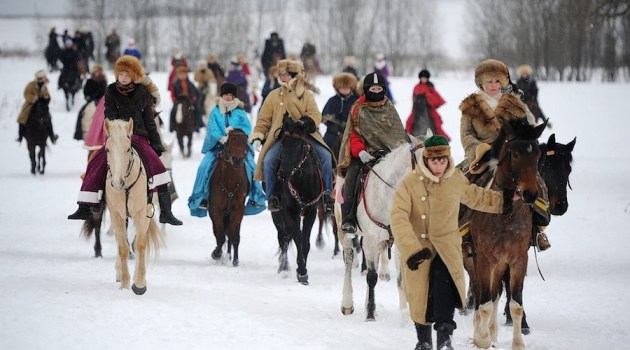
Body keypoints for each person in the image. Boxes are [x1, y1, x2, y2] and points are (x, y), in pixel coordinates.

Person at [390, 135, 512, 350]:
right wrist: (411, 249)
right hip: (418, 250)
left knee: (444, 287)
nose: (439, 166)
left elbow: (477, 196)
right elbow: (398, 216)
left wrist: (505, 202)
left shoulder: (455, 179)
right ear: (426, 160)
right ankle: (424, 340)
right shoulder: (409, 183)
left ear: (448, 159)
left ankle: (445, 339)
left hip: (447, 248)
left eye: (442, 161)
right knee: (421, 296)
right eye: (434, 162)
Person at [67, 55, 182, 226]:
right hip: (116, 136)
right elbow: (109, 113)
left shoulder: (142, 93)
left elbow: (149, 121)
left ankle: (166, 211)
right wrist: (117, 130)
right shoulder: (111, 91)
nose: (123, 77)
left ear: (134, 76)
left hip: (138, 136)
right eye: (120, 74)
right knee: (95, 163)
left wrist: (156, 144)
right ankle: (85, 206)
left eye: (127, 75)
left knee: (158, 167)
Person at [458, 58, 550, 251]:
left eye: (497, 81)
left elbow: (528, 130)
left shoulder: (514, 103)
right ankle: (463, 233)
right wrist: (479, 149)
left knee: (538, 185)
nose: (493, 85)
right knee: (461, 187)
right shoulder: (470, 106)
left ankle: (538, 229)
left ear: (503, 82)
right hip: (481, 156)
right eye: (489, 81)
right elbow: (466, 135)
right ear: (481, 83)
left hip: (514, 156)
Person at [248, 59, 334, 212]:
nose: (282, 77)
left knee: (326, 155)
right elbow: (263, 119)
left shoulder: (306, 95)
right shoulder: (273, 95)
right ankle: (272, 196)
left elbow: (315, 114)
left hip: (304, 136)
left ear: (294, 75)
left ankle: (327, 194)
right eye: (280, 74)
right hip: (280, 138)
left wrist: (307, 122)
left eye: (285, 74)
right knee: (268, 161)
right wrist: (258, 135)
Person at [337, 72, 407, 234]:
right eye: (372, 89)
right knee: (352, 175)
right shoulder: (357, 108)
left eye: (379, 88)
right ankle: (349, 216)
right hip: (364, 154)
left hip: (389, 154)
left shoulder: (389, 107)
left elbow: (397, 133)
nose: (376, 92)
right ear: (367, 89)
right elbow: (353, 134)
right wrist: (360, 151)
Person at [188, 82, 266, 217]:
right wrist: (222, 137)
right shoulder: (215, 111)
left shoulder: (240, 112)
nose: (228, 97)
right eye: (226, 94)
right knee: (204, 167)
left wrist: (234, 131)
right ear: (221, 95)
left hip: (238, 147)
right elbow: (212, 129)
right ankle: (201, 198)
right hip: (217, 147)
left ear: (234, 96)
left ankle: (256, 197)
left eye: (230, 95)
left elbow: (247, 128)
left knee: (252, 167)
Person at [404, 69, 450, 140]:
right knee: (409, 122)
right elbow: (413, 98)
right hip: (417, 109)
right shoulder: (416, 87)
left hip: (429, 109)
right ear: (420, 78)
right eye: (422, 78)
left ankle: (440, 138)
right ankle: (407, 138)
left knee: (436, 123)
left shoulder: (430, 87)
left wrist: (427, 96)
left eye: (425, 78)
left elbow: (436, 100)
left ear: (427, 78)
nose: (423, 79)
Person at [16, 70, 58, 144]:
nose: (44, 79)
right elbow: (26, 94)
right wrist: (34, 98)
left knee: (48, 118)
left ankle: (52, 136)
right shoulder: (31, 85)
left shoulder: (44, 86)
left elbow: (48, 95)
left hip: (41, 105)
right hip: (30, 105)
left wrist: (46, 98)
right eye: (43, 77)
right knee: (22, 118)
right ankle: (20, 136)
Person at [321, 72, 358, 151]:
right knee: (326, 149)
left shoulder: (356, 100)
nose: (344, 89)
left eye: (347, 87)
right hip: (333, 134)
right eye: (342, 87)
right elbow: (324, 117)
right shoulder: (332, 101)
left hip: (352, 134)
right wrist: (333, 126)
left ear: (351, 87)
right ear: (337, 88)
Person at [74, 64, 107, 140]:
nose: (97, 73)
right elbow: (85, 92)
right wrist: (89, 98)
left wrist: (101, 99)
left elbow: (104, 92)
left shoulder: (103, 81)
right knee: (82, 112)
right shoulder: (89, 81)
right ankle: (80, 132)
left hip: (101, 102)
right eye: (95, 71)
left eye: (98, 71)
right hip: (91, 101)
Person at [169, 65, 202, 132]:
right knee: (173, 112)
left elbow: (195, 92)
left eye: (184, 74)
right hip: (179, 101)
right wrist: (175, 100)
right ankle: (172, 126)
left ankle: (197, 125)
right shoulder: (175, 84)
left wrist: (193, 98)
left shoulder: (190, 83)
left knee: (197, 110)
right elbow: (173, 94)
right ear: (177, 75)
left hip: (189, 101)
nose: (182, 75)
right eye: (180, 74)